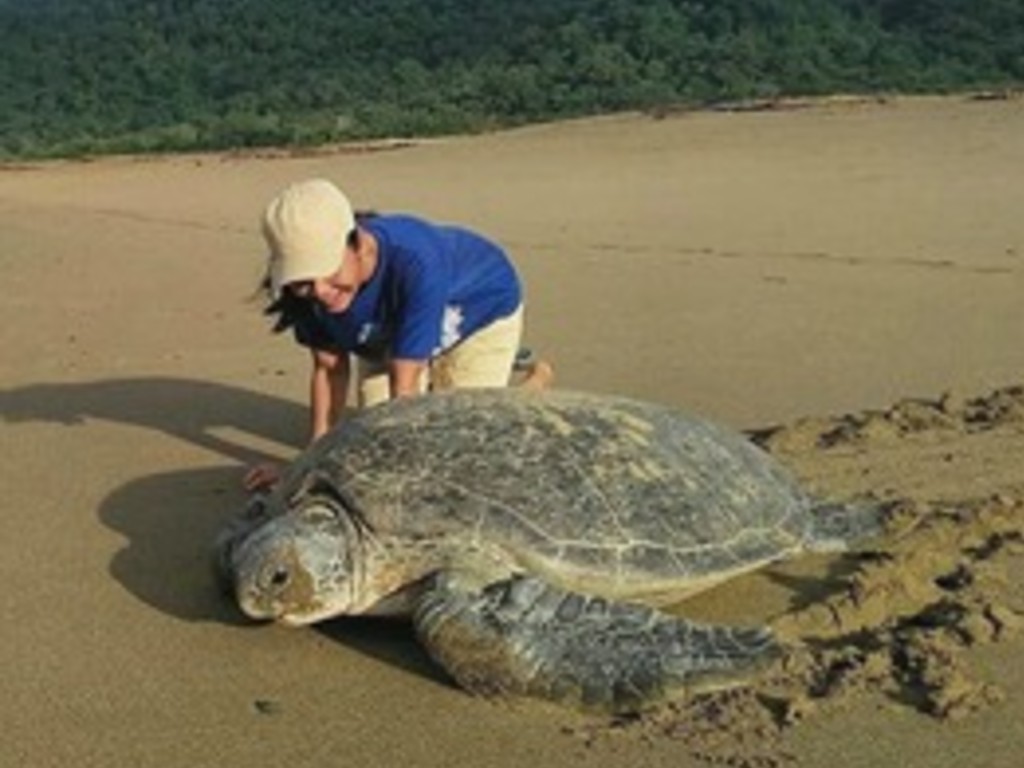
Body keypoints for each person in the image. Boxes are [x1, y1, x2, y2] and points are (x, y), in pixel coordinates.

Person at [244, 178, 551, 490]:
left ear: (358, 245)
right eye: (304, 281)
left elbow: (403, 394)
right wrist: (307, 466)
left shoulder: (414, 259)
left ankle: (531, 383)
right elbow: (329, 369)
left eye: (330, 272)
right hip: (390, 331)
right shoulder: (308, 295)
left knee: (460, 442)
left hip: (477, 309)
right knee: (375, 431)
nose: (321, 292)